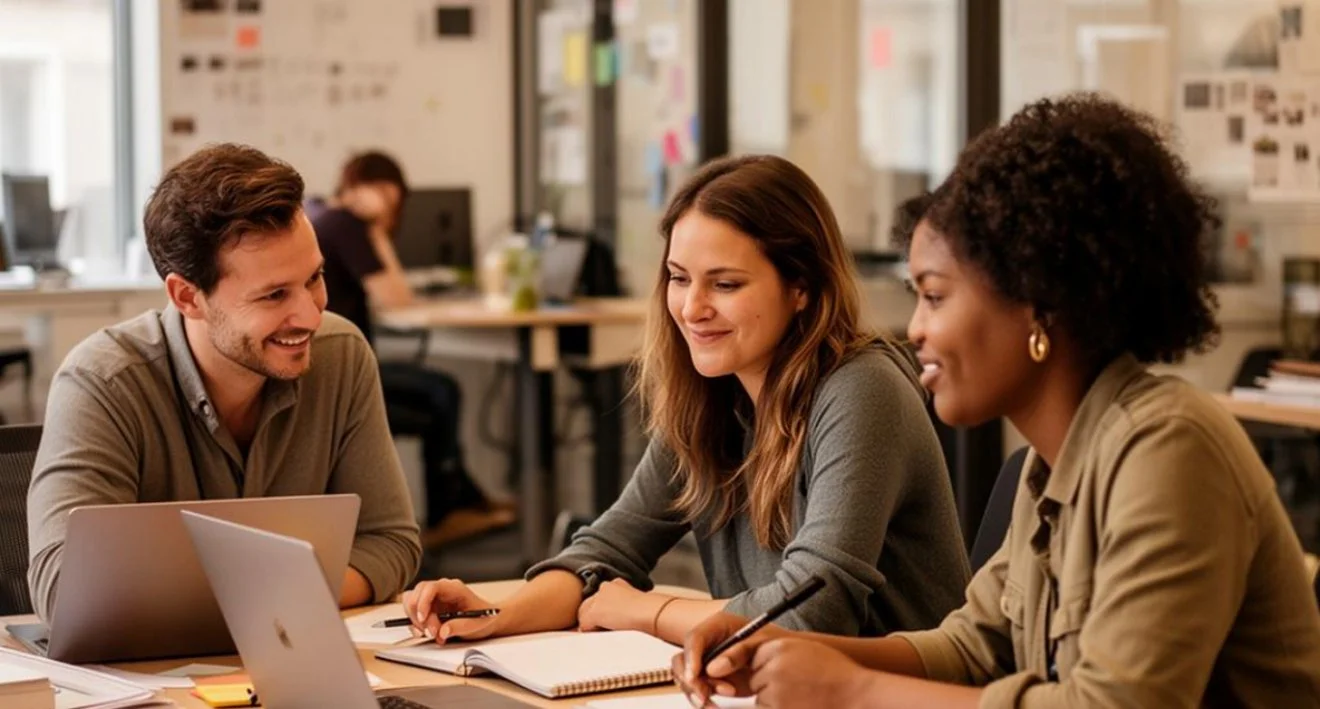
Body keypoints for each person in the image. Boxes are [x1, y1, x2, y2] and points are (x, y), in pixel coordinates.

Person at [674, 95, 1320, 708]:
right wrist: (784, 645)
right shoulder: (1051, 464)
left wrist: (854, 689)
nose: (918, 329)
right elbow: (974, 644)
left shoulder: (1170, 447)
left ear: (1036, 302)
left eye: (935, 295)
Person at [400, 154, 969, 646]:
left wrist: (649, 613)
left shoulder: (860, 388)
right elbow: (608, 549)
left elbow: (810, 614)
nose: (691, 308)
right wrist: (493, 615)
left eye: (724, 284)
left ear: (801, 288)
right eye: (678, 278)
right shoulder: (713, 395)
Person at [26, 144, 422, 621]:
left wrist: (255, 601)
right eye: (274, 295)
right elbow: (64, 588)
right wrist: (286, 590)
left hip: (295, 664)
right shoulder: (103, 383)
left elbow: (390, 543)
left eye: (313, 278)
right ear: (188, 296)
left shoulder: (342, 356)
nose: (311, 315)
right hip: (149, 683)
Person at [312, 151, 514, 548]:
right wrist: (376, 228)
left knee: (437, 392)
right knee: (440, 392)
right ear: (387, 191)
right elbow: (397, 297)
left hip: (332, 372)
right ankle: (449, 510)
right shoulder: (347, 225)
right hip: (341, 379)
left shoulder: (326, 216)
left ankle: (460, 501)